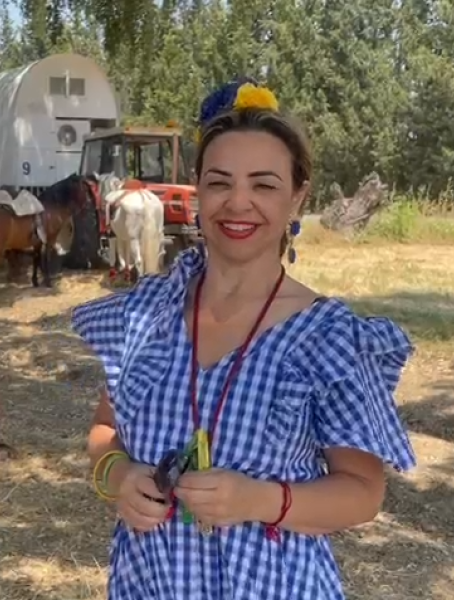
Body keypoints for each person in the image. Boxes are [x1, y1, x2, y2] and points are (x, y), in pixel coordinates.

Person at [72, 78, 416, 599]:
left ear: (297, 196)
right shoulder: (148, 313)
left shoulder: (328, 337)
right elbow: (104, 428)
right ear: (198, 188)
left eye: (264, 184)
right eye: (219, 182)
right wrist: (118, 476)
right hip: (148, 583)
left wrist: (261, 500)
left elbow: (363, 493)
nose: (238, 203)